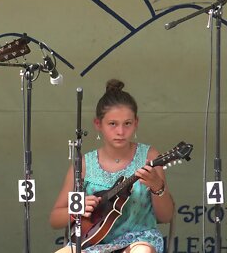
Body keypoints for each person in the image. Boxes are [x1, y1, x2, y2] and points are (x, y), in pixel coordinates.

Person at [50, 79, 175, 253]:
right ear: (98, 124)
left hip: (139, 241)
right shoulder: (84, 164)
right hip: (91, 243)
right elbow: (55, 219)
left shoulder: (150, 156)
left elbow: (166, 216)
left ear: (136, 123)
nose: (120, 132)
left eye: (127, 124)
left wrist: (157, 187)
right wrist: (76, 210)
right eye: (112, 124)